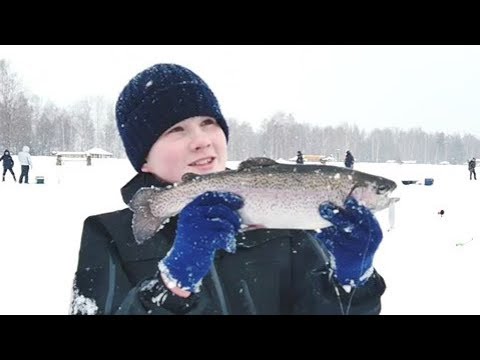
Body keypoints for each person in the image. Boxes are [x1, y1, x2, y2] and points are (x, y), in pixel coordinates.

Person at [70, 64, 386, 315]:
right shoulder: (110, 236)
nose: (202, 140)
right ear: (144, 160)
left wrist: (351, 283)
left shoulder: (286, 222)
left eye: (208, 122)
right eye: (176, 129)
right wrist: (171, 284)